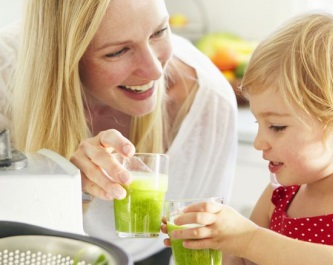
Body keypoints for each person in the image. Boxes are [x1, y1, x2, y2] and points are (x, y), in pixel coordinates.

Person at [162, 12, 333, 265]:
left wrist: (247, 239)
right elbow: (243, 260)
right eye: (259, 123)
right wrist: (215, 241)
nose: (259, 142)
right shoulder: (281, 192)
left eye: (276, 126)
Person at [0, 0, 237, 264]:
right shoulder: (6, 77)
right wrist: (63, 184)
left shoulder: (208, 103)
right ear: (65, 57)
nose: (155, 71)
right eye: (118, 52)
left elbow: (207, 241)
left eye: (159, 32)